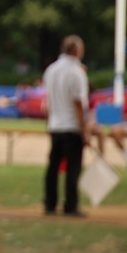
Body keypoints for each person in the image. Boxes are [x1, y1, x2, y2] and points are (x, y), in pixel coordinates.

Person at [42, 34, 90, 217]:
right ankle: (70, 205)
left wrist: (49, 122)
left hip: (55, 124)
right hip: (71, 125)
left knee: (53, 166)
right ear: (77, 51)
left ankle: (50, 203)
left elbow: (48, 100)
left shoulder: (51, 70)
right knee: (73, 167)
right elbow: (78, 103)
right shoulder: (77, 72)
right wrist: (84, 129)